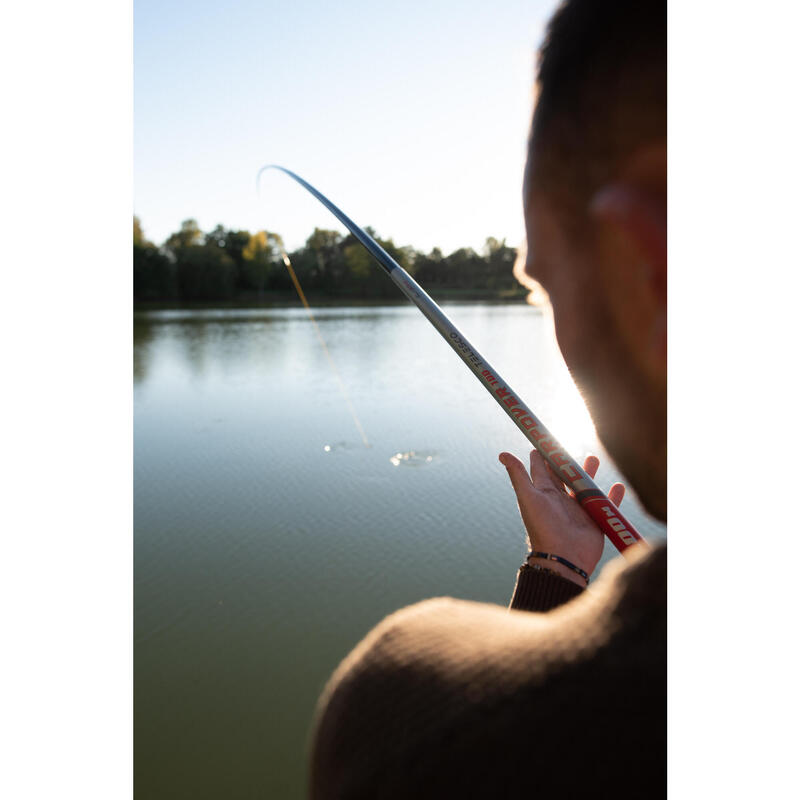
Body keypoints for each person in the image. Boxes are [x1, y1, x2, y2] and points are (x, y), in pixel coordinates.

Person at [309, 0, 666, 797]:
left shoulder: (411, 710)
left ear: (647, 265)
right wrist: (572, 565)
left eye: (539, 286)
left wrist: (552, 584)